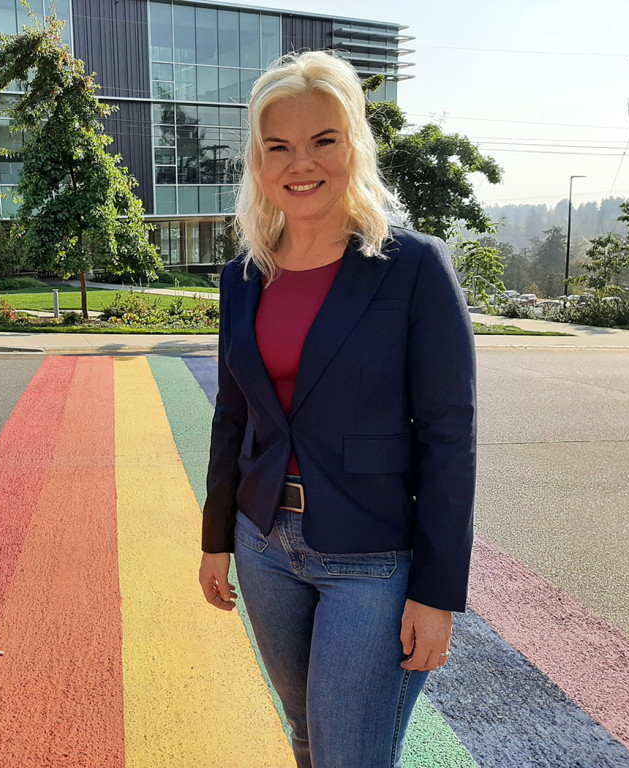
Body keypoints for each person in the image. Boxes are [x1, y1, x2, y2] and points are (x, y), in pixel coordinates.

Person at [198, 50, 476, 768]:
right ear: (258, 163)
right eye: (278, 146)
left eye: (323, 139)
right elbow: (234, 414)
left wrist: (438, 592)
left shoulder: (413, 266)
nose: (302, 163)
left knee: (350, 754)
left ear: (354, 142)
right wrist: (215, 538)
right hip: (263, 545)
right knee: (307, 737)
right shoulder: (243, 277)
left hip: (373, 557)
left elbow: (450, 437)